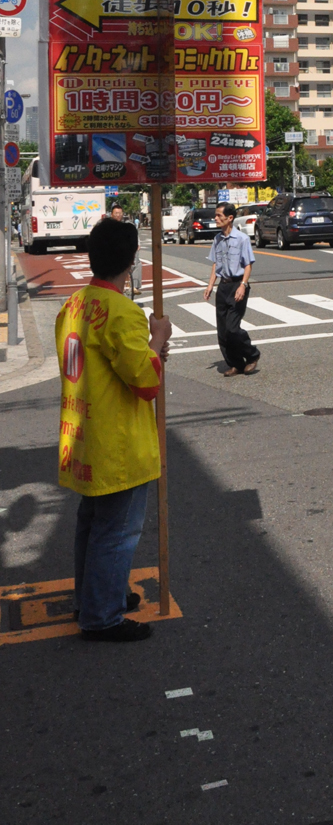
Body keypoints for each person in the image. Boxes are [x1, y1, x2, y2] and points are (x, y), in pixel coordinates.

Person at [56, 216, 171, 642]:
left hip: (82, 433)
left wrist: (148, 350)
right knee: (116, 531)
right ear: (131, 261)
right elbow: (146, 383)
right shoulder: (123, 312)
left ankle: (94, 598)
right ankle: (102, 615)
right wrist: (157, 338)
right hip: (116, 441)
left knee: (91, 525)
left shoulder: (73, 304)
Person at [204, 202, 259, 377]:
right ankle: (236, 364)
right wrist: (210, 285)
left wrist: (243, 285)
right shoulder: (217, 239)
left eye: (219, 215)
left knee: (233, 328)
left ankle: (252, 355)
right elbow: (216, 264)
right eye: (215, 215)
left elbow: (248, 265)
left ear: (230, 218)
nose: (215, 218)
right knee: (222, 332)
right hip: (223, 286)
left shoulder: (242, 239)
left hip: (237, 285)